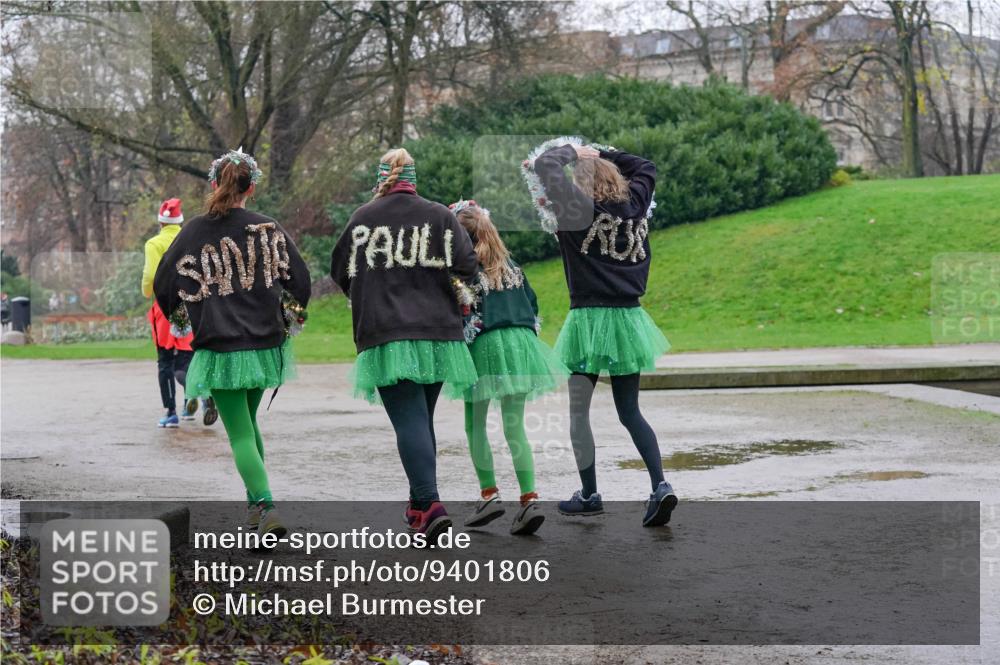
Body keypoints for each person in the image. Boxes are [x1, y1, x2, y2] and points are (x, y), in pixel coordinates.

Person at [154, 148, 311, 536]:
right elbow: (300, 279)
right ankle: (255, 510)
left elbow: (164, 280)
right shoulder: (268, 228)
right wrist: (290, 313)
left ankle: (268, 506)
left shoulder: (193, 230)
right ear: (251, 189)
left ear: (214, 183)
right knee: (248, 425)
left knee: (239, 431)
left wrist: (179, 313)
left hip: (221, 343)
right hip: (265, 343)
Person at [331, 148, 479, 545]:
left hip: (386, 329)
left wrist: (365, 290)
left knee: (409, 421)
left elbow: (339, 267)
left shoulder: (363, 218)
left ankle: (431, 505)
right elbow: (468, 264)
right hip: (438, 332)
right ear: (413, 178)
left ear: (382, 178)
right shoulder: (440, 215)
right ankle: (418, 506)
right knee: (420, 419)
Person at [529, 141, 677, 527]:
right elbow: (645, 165)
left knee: (579, 410)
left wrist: (575, 151)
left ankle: (590, 493)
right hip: (629, 319)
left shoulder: (575, 208)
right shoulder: (637, 204)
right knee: (630, 411)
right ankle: (660, 485)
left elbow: (545, 165)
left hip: (588, 320)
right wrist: (603, 151)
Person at [451, 199, 567, 536]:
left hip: (486, 343)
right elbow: (532, 303)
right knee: (515, 426)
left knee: (475, 423)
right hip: (522, 344)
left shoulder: (464, 268)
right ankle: (529, 499)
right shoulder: (511, 264)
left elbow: (461, 309)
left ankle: (489, 495)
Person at [142, 198, 212, 428]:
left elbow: (151, 277)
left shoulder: (154, 244)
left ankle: (172, 411)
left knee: (165, 362)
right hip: (193, 306)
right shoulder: (192, 239)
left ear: (161, 222)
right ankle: (191, 403)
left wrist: (146, 292)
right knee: (186, 359)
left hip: (165, 308)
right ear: (180, 221)